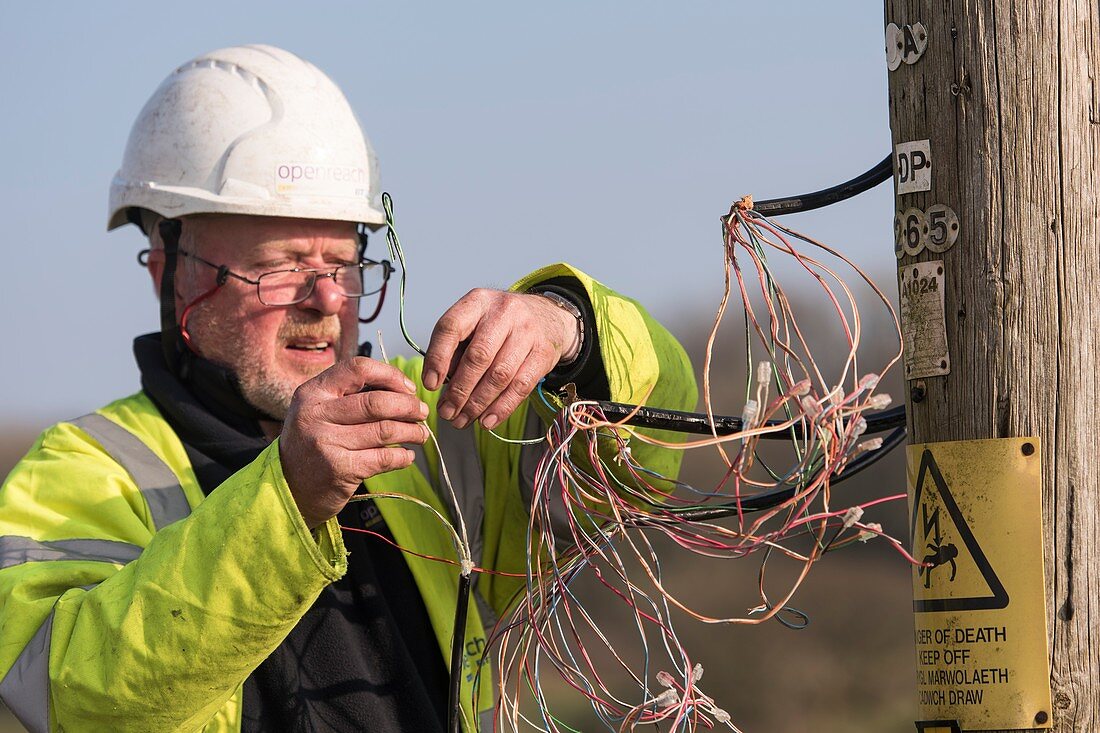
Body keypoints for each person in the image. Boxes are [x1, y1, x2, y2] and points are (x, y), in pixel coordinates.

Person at [0, 45, 696, 732]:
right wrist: (288, 498)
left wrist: (572, 328)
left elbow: (647, 459)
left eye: (343, 260)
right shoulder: (83, 473)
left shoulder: (438, 434)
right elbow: (76, 703)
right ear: (167, 272)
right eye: (281, 266)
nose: (328, 297)